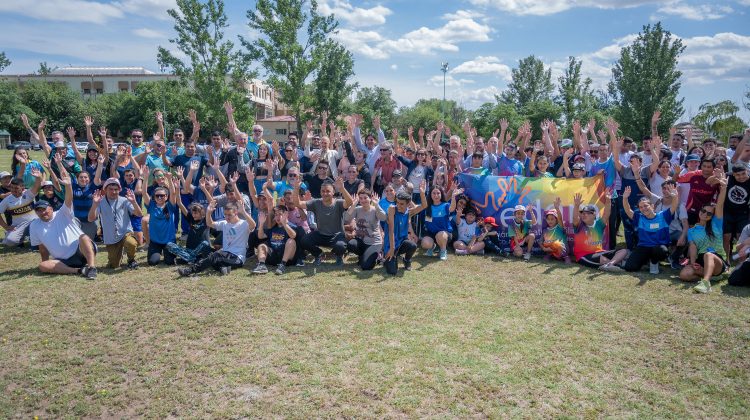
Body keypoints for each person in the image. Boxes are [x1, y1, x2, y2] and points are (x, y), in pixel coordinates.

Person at [29, 168, 98, 279]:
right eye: (39, 211)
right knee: (42, 265)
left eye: (44, 209)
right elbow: (42, 247)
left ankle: (91, 267)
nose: (43, 212)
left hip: (80, 252)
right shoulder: (34, 225)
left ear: (51, 208)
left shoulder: (62, 213)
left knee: (84, 237)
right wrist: (47, 264)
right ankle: (79, 270)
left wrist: (68, 185)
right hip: (63, 261)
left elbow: (68, 200)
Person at [679, 169, 729, 293]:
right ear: (700, 211)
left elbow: (720, 204)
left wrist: (723, 187)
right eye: (703, 211)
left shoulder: (716, 224)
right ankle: (711, 277)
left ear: (712, 216)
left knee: (708, 255)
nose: (705, 214)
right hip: (702, 261)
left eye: (709, 213)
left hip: (717, 260)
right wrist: (693, 262)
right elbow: (692, 247)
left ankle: (706, 283)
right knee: (684, 274)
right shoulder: (692, 230)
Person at [177, 200, 256, 277]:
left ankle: (190, 270)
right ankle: (223, 268)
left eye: (229, 215)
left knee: (214, 257)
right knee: (211, 258)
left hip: (237, 258)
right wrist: (208, 212)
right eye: (225, 214)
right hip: (225, 255)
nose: (227, 217)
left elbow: (253, 225)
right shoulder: (225, 223)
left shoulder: (243, 224)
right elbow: (210, 223)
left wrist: (243, 212)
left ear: (236, 213)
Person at [292, 177, 354, 266]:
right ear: (320, 192)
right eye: (323, 191)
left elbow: (350, 202)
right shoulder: (315, 203)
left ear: (333, 192)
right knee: (304, 241)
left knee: (340, 246)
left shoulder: (339, 203)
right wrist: (296, 188)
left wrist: (342, 188)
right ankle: (319, 254)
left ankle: (339, 256)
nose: (325, 193)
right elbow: (297, 204)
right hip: (320, 234)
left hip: (336, 235)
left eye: (328, 191)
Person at [620, 184, 678, 274]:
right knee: (629, 267)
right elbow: (628, 210)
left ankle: (654, 262)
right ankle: (645, 260)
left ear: (652, 206)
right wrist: (625, 198)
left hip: (658, 247)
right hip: (644, 246)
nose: (643, 208)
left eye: (646, 206)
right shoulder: (640, 218)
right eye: (641, 207)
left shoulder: (663, 215)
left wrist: (675, 196)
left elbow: (674, 206)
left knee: (661, 251)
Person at [88, 178, 142, 269]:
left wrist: (134, 202)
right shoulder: (100, 202)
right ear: (105, 190)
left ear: (119, 190)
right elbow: (90, 219)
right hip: (111, 237)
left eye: (116, 189)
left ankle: (131, 260)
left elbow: (139, 214)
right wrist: (94, 204)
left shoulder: (125, 200)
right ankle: (117, 256)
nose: (113, 192)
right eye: (111, 189)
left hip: (125, 233)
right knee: (114, 265)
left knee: (131, 243)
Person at [572, 192, 629, 271]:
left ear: (594, 215)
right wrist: (576, 205)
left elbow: (606, 214)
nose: (584, 215)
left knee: (624, 251)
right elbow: (575, 218)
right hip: (583, 255)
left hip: (599, 252)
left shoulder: (599, 224)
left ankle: (610, 264)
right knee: (602, 259)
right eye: (583, 213)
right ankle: (617, 264)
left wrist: (608, 201)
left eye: (587, 213)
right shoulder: (579, 225)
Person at [383, 183, 427, 275]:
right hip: (390, 244)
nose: (398, 205)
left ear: (408, 204)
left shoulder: (409, 212)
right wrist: (391, 249)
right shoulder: (392, 209)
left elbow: (424, 206)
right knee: (392, 272)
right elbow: (391, 230)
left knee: (413, 245)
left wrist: (422, 193)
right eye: (397, 202)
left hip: (402, 242)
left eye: (402, 204)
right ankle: (388, 257)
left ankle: (406, 260)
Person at [345, 189, 386, 271]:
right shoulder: (357, 209)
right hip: (361, 240)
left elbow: (383, 218)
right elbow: (346, 219)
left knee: (365, 267)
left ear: (370, 198)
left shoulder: (375, 209)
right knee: (351, 245)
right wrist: (353, 204)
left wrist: (377, 205)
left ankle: (378, 256)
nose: (363, 200)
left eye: (365, 198)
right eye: (360, 198)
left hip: (374, 242)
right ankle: (363, 255)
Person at [144, 172, 178, 265]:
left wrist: (170, 179)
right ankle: (157, 252)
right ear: (154, 197)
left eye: (162, 196)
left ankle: (167, 253)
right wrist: (145, 178)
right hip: (155, 241)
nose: (159, 197)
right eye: (157, 196)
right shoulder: (151, 206)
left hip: (169, 241)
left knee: (170, 262)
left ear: (166, 197)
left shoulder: (170, 206)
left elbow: (173, 193)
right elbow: (144, 192)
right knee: (152, 262)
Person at [0, 171, 42, 246]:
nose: (13, 190)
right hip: (19, 226)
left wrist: (38, 178)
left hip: (34, 222)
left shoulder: (28, 193)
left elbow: (37, 186)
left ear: (22, 188)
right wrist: (6, 226)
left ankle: (34, 238)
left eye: (16, 188)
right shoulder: (7, 200)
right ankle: (21, 237)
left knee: (39, 240)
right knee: (10, 241)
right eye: (11, 188)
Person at [254, 204, 297, 275]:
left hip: (286, 258)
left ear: (286, 215)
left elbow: (293, 235)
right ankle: (261, 265)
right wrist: (261, 223)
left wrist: (285, 224)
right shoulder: (273, 228)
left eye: (280, 214)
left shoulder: (291, 226)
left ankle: (282, 265)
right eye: (276, 215)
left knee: (291, 241)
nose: (278, 217)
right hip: (273, 256)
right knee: (261, 245)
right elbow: (260, 236)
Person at [421, 187, 458, 261]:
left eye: (438, 193)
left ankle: (443, 251)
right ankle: (432, 247)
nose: (436, 195)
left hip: (444, 234)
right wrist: (422, 192)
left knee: (440, 235)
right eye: (434, 193)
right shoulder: (427, 206)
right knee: (425, 244)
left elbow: (452, 208)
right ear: (430, 195)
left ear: (441, 194)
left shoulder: (445, 205)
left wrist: (453, 197)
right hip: (431, 233)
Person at [723, 163, 750, 259]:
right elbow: (711, 181)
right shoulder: (727, 177)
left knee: (741, 238)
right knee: (726, 237)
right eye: (738, 175)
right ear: (733, 174)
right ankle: (726, 261)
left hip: (743, 213)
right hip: (727, 211)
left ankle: (742, 262)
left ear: (747, 171)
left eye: (743, 173)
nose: (741, 177)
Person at [541, 197, 569, 263]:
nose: (550, 221)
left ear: (556, 220)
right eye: (548, 219)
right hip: (550, 251)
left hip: (561, 251)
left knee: (557, 243)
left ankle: (566, 257)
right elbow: (540, 242)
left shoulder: (559, 227)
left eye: (552, 219)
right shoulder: (545, 230)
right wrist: (543, 248)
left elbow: (560, 218)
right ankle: (550, 255)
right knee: (546, 243)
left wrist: (557, 208)